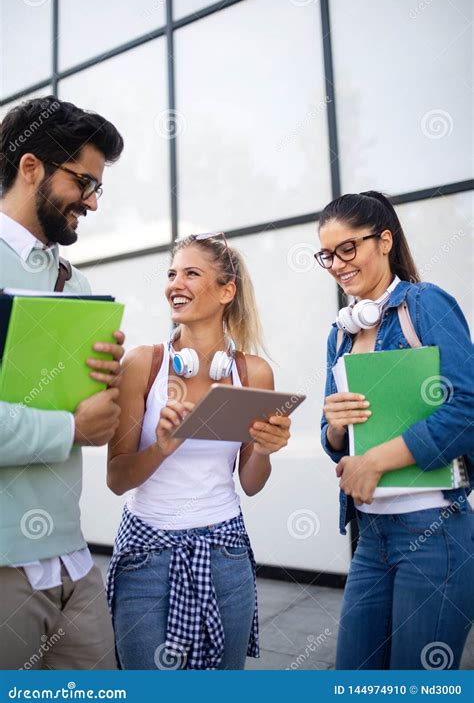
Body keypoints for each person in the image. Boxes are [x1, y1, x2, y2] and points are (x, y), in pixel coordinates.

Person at [106, 233, 291, 670]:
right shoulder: (142, 363)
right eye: (172, 273)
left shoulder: (253, 372)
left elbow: (250, 484)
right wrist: (163, 447)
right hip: (146, 556)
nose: (176, 283)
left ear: (227, 290)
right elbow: (117, 480)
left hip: (225, 553)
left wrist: (265, 450)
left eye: (191, 273)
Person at [318, 191, 473, 670]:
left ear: (384, 240)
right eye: (327, 254)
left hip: (434, 531)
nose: (338, 264)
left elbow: (466, 409)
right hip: (372, 535)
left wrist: (375, 462)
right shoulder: (340, 333)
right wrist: (337, 431)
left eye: (349, 248)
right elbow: (331, 437)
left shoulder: (426, 305)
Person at [0, 96, 125, 669]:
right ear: (31, 168)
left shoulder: (77, 283)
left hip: (73, 559)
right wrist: (72, 425)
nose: (93, 201)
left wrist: (102, 388)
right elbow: (70, 423)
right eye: (83, 181)